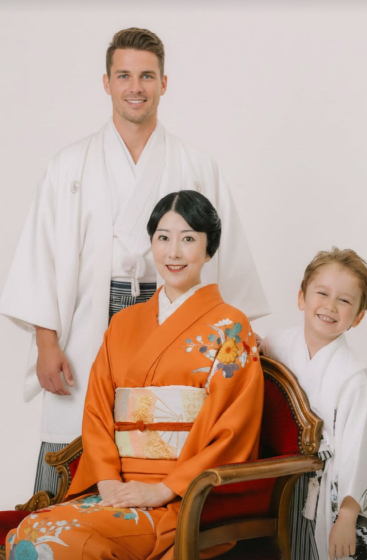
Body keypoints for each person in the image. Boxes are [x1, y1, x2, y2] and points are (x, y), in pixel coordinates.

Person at [0, 27, 268, 496]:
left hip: (174, 316)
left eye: (146, 76)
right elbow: (41, 254)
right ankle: (59, 515)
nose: (135, 87)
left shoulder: (196, 164)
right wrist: (46, 341)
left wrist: (237, 335)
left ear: (164, 82)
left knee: (160, 436)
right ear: (106, 82)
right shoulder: (70, 164)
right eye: (123, 75)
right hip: (88, 316)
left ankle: (152, 511)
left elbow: (225, 253)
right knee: (73, 425)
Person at [6, 190, 264, 560]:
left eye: (188, 239)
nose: (173, 252)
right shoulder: (124, 323)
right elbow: (97, 410)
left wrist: (164, 489)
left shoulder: (232, 327)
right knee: (28, 533)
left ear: (209, 249)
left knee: (53, 543)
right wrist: (107, 481)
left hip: (181, 497)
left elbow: (233, 430)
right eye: (163, 238)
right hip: (117, 488)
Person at [257, 248, 367, 560]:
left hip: (331, 486)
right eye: (322, 293)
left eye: (344, 300)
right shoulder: (277, 342)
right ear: (301, 298)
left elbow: (362, 451)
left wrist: (347, 516)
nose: (330, 306)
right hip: (283, 475)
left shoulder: (353, 378)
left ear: (358, 317)